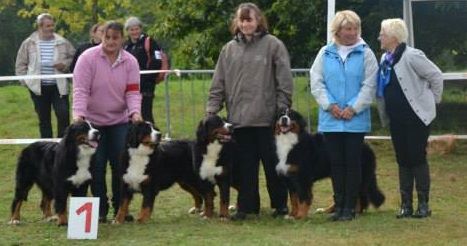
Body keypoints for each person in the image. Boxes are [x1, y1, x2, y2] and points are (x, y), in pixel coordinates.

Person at [207, 2, 292, 221]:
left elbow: (284, 81)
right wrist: (212, 111)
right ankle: (247, 206)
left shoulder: (273, 45)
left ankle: (280, 205)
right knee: (245, 168)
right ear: (237, 22)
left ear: (258, 21)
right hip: (239, 121)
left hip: (267, 119)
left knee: (274, 166)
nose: (246, 24)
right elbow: (218, 83)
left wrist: (282, 110)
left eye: (250, 19)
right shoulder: (228, 50)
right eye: (242, 20)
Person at [309, 10, 378, 221]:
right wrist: (330, 106)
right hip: (331, 120)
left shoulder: (366, 53)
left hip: (355, 120)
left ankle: (350, 206)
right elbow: (316, 82)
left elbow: (369, 85)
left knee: (353, 163)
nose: (352, 32)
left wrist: (353, 108)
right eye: (348, 28)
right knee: (336, 164)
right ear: (337, 30)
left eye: (356, 28)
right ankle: (338, 205)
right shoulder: (325, 53)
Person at [72, 21, 142, 222]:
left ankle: (121, 208)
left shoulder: (131, 62)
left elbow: (132, 92)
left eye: (115, 38)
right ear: (101, 37)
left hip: (120, 121)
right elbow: (80, 90)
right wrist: (79, 116)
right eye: (107, 37)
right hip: (92, 122)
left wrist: (135, 113)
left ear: (122, 39)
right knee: (97, 165)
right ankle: (99, 211)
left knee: (120, 166)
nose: (110, 42)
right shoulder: (87, 58)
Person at [376, 18, 443, 219]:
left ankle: (423, 204)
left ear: (393, 37)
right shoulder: (385, 59)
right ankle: (406, 204)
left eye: (383, 34)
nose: (380, 37)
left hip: (416, 118)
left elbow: (436, 75)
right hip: (396, 119)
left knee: (416, 158)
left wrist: (433, 100)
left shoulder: (412, 56)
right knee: (402, 159)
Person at [15, 13, 75, 138]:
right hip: (38, 88)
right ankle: (46, 148)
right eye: (47, 26)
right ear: (40, 27)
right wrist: (25, 82)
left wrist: (64, 65)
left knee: (63, 115)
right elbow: (21, 63)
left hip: (58, 86)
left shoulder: (63, 42)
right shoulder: (29, 43)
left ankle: (62, 145)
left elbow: (74, 58)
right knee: (44, 119)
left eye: (52, 25)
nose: (51, 28)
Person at [124, 16, 163, 124]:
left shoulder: (149, 41)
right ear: (127, 31)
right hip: (130, 85)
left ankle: (152, 137)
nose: (134, 32)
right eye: (131, 29)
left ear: (141, 29)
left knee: (146, 114)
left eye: (136, 29)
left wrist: (147, 78)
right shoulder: (126, 46)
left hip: (146, 85)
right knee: (131, 113)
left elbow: (157, 61)